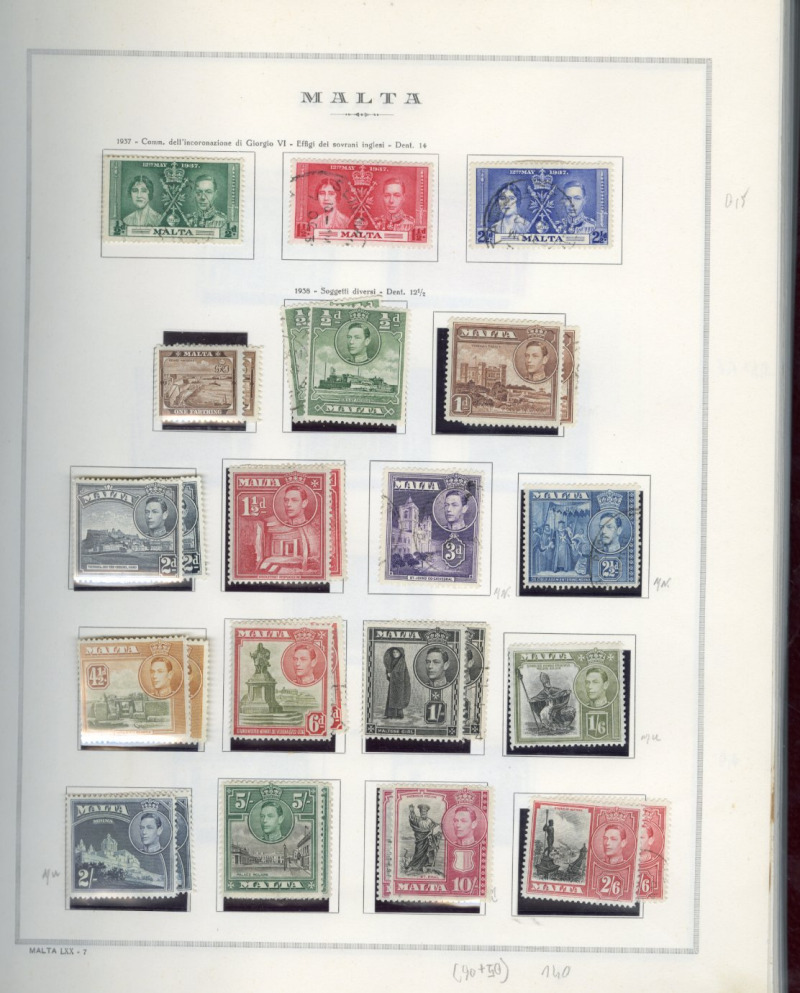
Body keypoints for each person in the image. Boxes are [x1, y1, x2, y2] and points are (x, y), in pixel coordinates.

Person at [406, 802, 441, 872]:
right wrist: (412, 811)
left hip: (428, 840)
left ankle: (423, 866)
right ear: (420, 812)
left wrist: (438, 830)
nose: (423, 813)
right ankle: (412, 866)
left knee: (426, 854)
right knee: (418, 853)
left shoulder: (430, 821)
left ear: (427, 812)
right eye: (422, 812)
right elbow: (412, 819)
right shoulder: (417, 819)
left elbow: (436, 827)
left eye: (425, 812)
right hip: (420, 840)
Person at [383, 646, 411, 719]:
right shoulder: (392, 661)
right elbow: (389, 670)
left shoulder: (402, 662)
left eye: (397, 652)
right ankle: (390, 715)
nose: (395, 654)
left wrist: (391, 674)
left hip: (400, 684)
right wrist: (388, 673)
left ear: (400, 653)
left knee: (398, 699)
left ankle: (399, 715)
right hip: (393, 683)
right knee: (391, 698)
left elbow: (400, 673)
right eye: (394, 652)